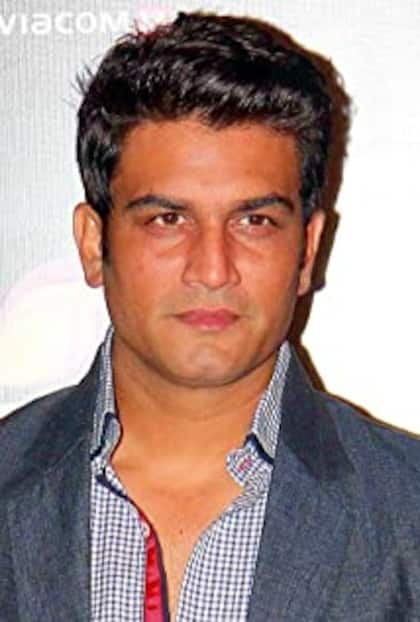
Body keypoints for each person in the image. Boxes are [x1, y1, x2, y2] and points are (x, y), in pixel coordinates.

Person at [1, 10, 420, 622]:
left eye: (254, 221)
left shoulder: (408, 512)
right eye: (167, 220)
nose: (213, 269)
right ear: (93, 244)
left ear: (306, 251)